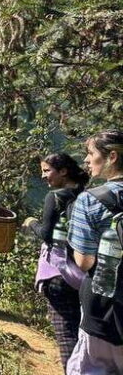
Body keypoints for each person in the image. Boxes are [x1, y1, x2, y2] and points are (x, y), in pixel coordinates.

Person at [21, 153, 88, 372]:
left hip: (58, 273)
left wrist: (31, 223)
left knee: (65, 332)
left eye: (47, 170)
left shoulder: (56, 196)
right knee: (81, 330)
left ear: (63, 171)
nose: (43, 176)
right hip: (83, 272)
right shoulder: (85, 195)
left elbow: (47, 234)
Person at [66, 131, 123, 374]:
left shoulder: (90, 200)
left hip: (105, 306)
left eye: (91, 154)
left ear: (112, 156)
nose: (86, 161)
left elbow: (84, 261)